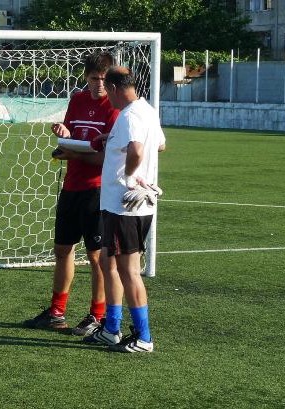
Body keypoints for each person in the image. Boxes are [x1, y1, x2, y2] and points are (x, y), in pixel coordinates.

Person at [23, 52, 119, 336]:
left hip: (97, 190)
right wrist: (63, 131)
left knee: (96, 256)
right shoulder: (77, 100)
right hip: (71, 187)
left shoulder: (113, 108)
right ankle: (56, 313)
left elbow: (107, 159)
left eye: (104, 79)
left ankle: (97, 316)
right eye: (94, 79)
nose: (99, 85)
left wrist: (72, 154)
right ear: (85, 77)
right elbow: (71, 136)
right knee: (63, 250)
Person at [83, 66, 165, 353]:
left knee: (129, 271)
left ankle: (144, 338)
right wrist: (113, 142)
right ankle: (111, 329)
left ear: (117, 88)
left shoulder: (130, 115)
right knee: (108, 262)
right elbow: (161, 145)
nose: (108, 97)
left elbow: (138, 151)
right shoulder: (147, 111)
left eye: (109, 90)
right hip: (122, 205)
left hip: (126, 205)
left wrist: (130, 177)